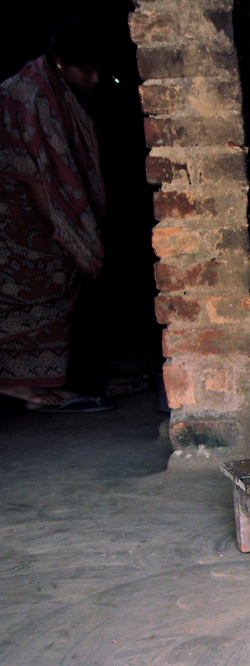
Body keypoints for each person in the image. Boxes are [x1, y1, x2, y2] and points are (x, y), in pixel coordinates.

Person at [0, 18, 111, 412]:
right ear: (61, 62)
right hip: (17, 217)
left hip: (42, 215)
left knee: (58, 281)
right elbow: (31, 175)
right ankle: (17, 386)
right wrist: (65, 230)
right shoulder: (28, 95)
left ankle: (34, 383)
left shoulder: (60, 91)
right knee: (29, 288)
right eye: (88, 69)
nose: (96, 79)